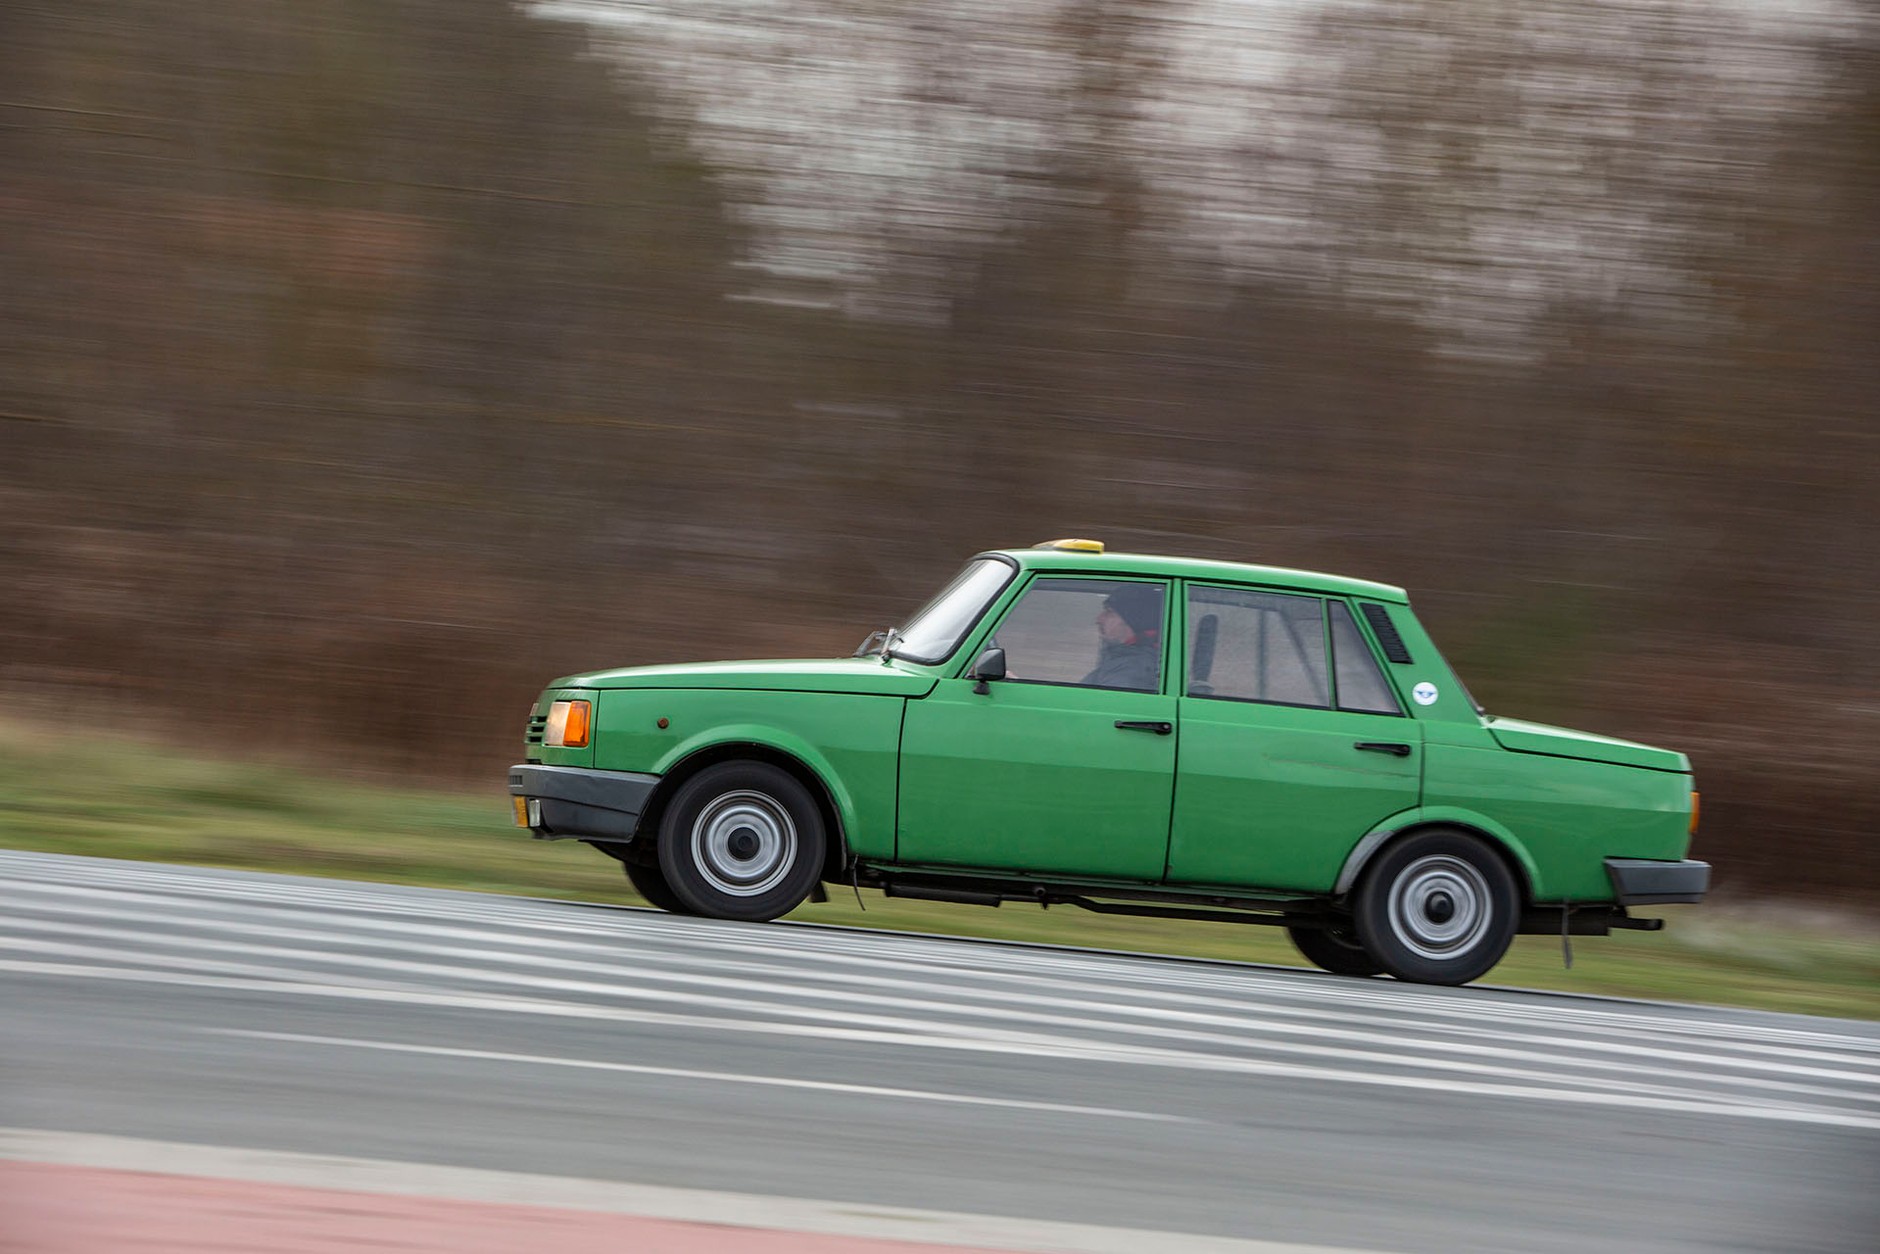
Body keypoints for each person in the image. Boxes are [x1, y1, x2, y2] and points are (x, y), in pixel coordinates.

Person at [1082, 583, 1162, 691]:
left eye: (1109, 612)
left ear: (1133, 621)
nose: (1099, 619)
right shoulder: (1120, 660)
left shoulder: (1133, 670)